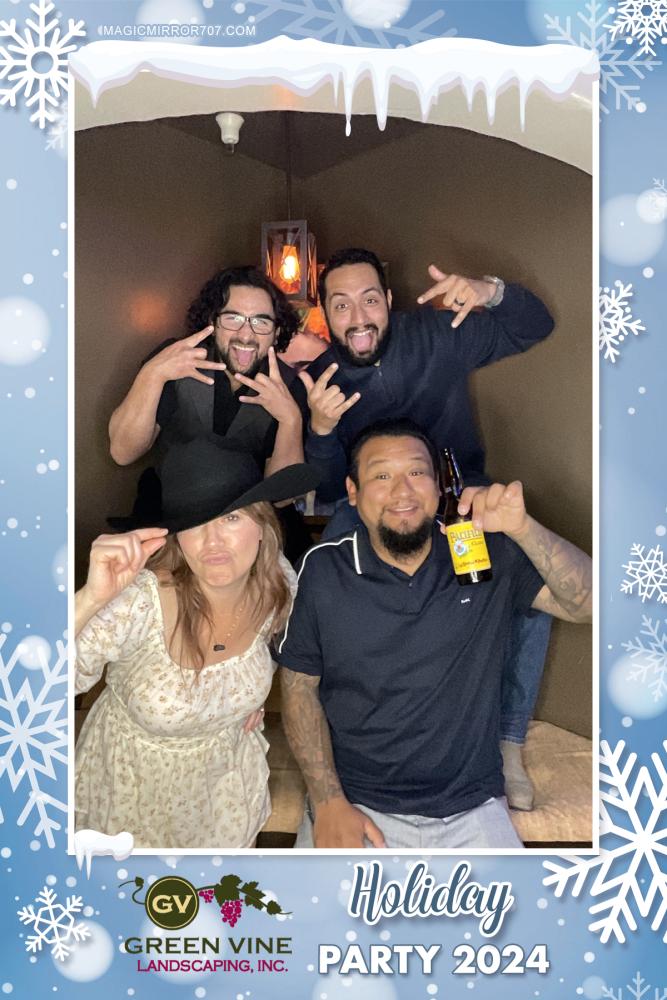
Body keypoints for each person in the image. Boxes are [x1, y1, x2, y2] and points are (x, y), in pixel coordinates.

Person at [298, 248, 556, 810]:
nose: (358, 317)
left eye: (370, 299)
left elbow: (535, 325)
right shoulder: (320, 378)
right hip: (371, 508)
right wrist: (319, 429)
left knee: (525, 583)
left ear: (389, 301)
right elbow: (325, 481)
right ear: (325, 314)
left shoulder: (438, 335)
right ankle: (351, 734)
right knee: (325, 571)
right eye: (341, 305)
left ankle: (508, 738)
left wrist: (491, 291)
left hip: (457, 503)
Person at [278, 420, 592, 849]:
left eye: (417, 472)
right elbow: (299, 686)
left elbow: (589, 606)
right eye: (381, 475)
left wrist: (522, 527)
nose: (402, 491)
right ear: (353, 491)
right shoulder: (324, 569)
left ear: (440, 485)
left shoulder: (484, 551)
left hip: (473, 806)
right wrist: (327, 799)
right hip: (357, 803)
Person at [75, 439, 318, 849]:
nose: (212, 542)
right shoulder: (140, 602)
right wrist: (89, 599)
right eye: (195, 523)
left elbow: (280, 649)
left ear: (262, 527)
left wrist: (239, 698)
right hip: (128, 799)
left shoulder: (278, 584)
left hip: (225, 798)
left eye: (232, 519)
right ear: (176, 537)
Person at [108, 265, 306, 476]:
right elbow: (123, 453)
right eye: (233, 318)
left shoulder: (290, 387)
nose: (246, 335)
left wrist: (291, 420)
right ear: (213, 322)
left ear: (276, 333)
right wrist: (152, 374)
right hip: (169, 495)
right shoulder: (174, 361)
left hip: (251, 498)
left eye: (260, 321)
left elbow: (284, 492)